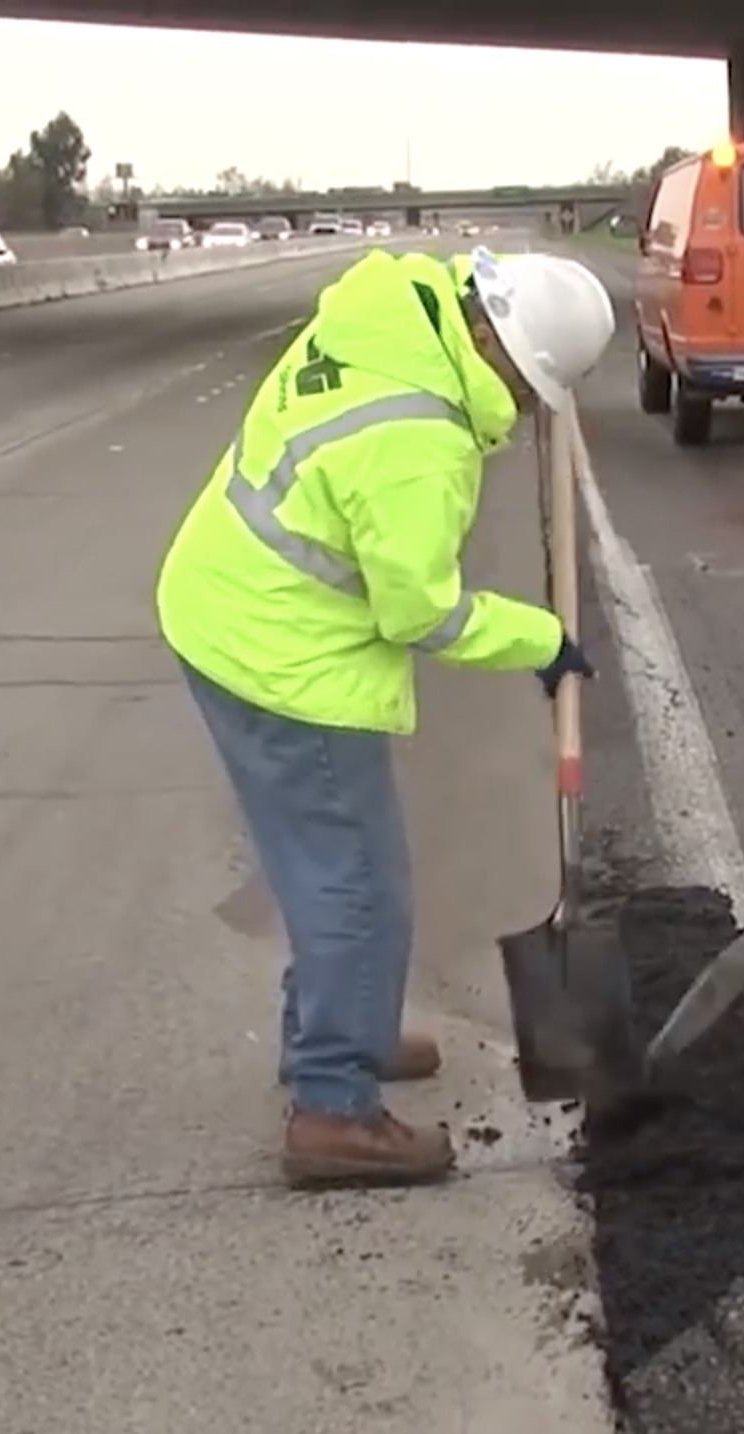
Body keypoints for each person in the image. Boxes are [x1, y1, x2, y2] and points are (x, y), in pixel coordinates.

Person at [156, 246, 616, 1185]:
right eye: (527, 389)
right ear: (491, 341)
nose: (526, 410)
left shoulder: (390, 313)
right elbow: (421, 613)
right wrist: (541, 642)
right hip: (282, 656)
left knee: (325, 867)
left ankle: (336, 1028)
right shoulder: (419, 441)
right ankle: (332, 1107)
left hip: (227, 607)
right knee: (359, 888)